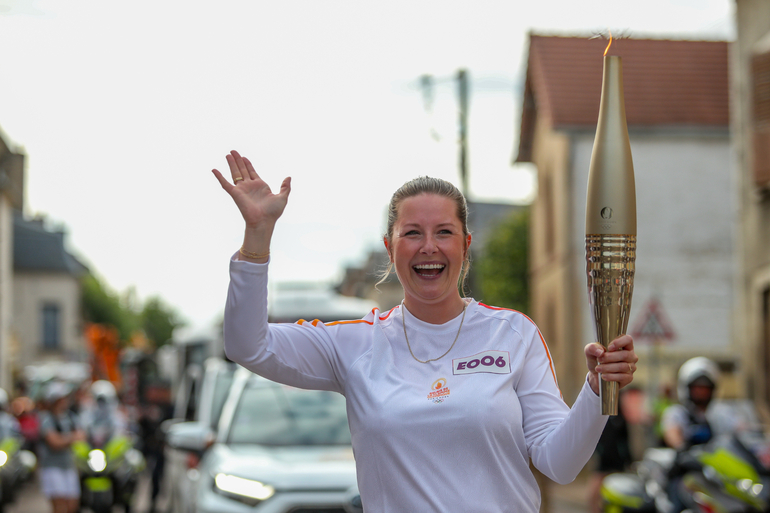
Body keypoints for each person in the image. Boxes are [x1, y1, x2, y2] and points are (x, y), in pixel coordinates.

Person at [212, 150, 638, 512]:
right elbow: (248, 345)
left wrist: (597, 388)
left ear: (465, 245)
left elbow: (559, 464)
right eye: (412, 233)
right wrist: (257, 237)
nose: (428, 247)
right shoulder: (357, 343)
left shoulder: (513, 334)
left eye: (444, 233)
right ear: (390, 247)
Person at [38, 381, 85, 513]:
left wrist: (65, 439)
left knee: (72, 504)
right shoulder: (47, 419)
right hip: (52, 467)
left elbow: (82, 436)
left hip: (69, 466)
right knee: (59, 506)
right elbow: (54, 442)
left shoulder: (70, 417)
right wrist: (72, 438)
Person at [661, 356, 718, 451]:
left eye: (706, 388)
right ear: (687, 388)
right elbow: (672, 432)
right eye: (698, 388)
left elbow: (738, 429)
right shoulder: (677, 413)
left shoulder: (718, 412)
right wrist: (680, 447)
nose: (702, 392)